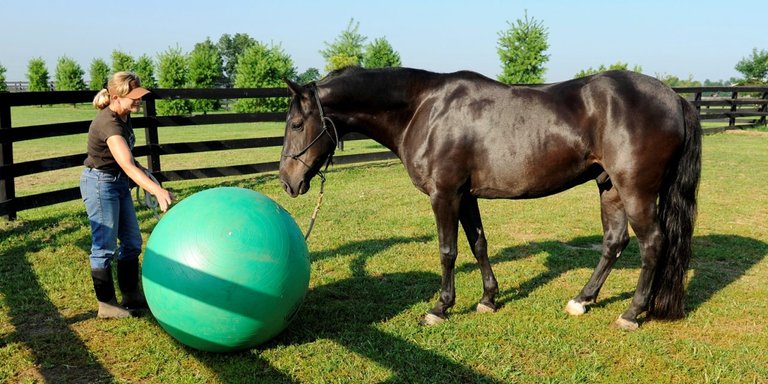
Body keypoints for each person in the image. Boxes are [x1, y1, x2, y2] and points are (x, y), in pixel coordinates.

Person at [80, 71, 174, 318]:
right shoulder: (108, 123)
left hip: (118, 183)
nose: (138, 101)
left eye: (139, 95)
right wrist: (156, 190)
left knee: (132, 242)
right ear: (114, 97)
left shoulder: (123, 116)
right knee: (104, 246)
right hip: (101, 184)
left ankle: (131, 294)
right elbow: (126, 164)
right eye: (133, 97)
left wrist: (147, 176)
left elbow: (129, 162)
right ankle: (107, 305)